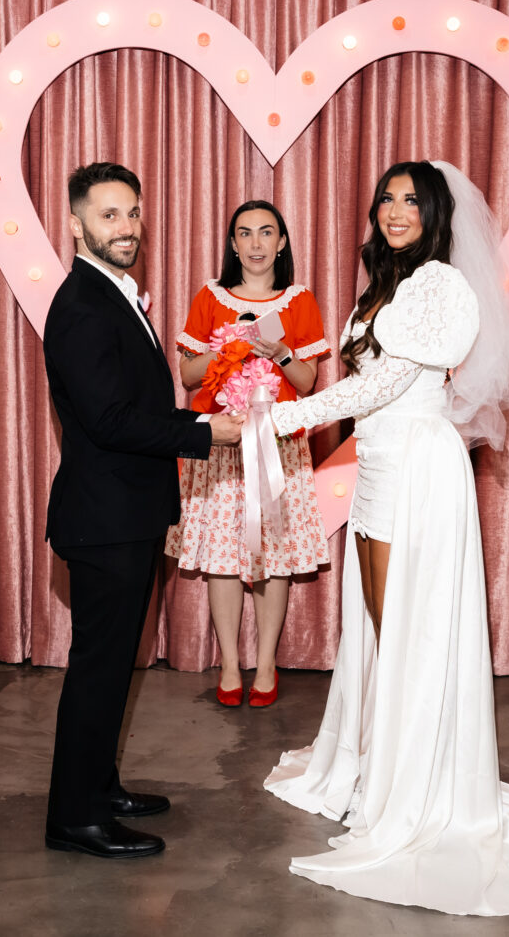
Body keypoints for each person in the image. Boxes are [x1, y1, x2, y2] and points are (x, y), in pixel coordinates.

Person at [262, 161, 509, 914]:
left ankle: (418, 786)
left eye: (411, 200)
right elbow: (357, 375)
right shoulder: (384, 285)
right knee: (381, 630)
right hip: (376, 466)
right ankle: (382, 761)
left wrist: (272, 420)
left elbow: (381, 384)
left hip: (419, 468)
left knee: (413, 630)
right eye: (387, 196)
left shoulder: (441, 285)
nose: (394, 209)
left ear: (437, 214)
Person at [42, 162, 244, 860]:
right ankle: (74, 817)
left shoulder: (112, 295)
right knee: (99, 668)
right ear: (75, 224)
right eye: (108, 215)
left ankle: (99, 786)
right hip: (103, 521)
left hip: (124, 512)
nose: (125, 227)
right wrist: (203, 432)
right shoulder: (80, 306)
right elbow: (109, 420)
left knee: (112, 666)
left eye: (132, 212)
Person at [166, 200, 331, 707]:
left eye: (267, 233)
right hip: (218, 444)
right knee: (221, 557)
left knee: (271, 556)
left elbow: (307, 383)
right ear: (232, 244)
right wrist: (229, 347)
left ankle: (266, 667)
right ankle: (231, 666)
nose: (256, 244)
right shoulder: (210, 298)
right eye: (245, 233)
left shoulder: (299, 301)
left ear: (281, 243)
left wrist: (279, 353)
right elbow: (188, 376)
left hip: (276, 446)